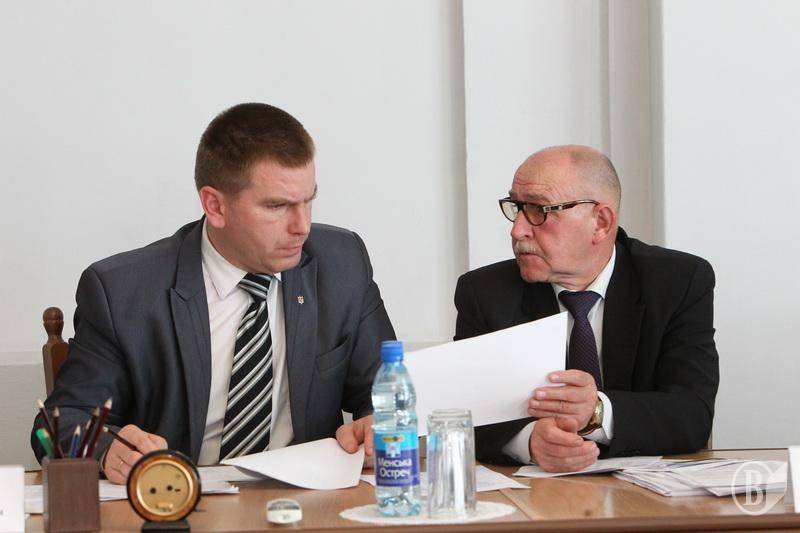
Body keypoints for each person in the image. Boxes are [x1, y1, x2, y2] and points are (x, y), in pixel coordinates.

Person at [32, 103, 394, 483]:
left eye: (308, 201)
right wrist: (108, 450)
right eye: (277, 206)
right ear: (215, 206)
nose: (302, 226)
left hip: (307, 499)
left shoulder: (341, 264)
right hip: (180, 498)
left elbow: (387, 389)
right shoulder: (122, 293)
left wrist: (377, 424)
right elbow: (61, 423)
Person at [454, 145, 719, 472]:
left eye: (538, 210)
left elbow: (692, 414)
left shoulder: (677, 281)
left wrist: (596, 412)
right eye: (517, 208)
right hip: (535, 493)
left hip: (644, 490)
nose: (517, 229)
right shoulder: (484, 292)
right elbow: (465, 414)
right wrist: (529, 441)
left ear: (601, 222)